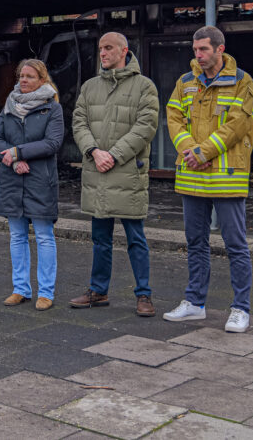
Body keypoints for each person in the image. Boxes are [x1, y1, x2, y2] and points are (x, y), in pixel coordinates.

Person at [163, 25, 253, 333]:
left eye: (203, 49)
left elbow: (237, 126)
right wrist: (191, 151)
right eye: (195, 50)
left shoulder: (243, 82)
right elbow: (174, 119)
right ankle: (195, 304)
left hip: (226, 175)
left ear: (220, 48)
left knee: (235, 244)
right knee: (195, 242)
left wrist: (203, 153)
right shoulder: (185, 83)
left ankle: (241, 308)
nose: (198, 55)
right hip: (192, 173)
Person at [70, 32, 159, 317]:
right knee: (100, 237)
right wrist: (95, 151)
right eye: (100, 49)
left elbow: (146, 127)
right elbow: (79, 122)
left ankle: (144, 295)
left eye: (108, 48)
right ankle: (98, 290)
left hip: (127, 172)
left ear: (124, 51)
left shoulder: (145, 87)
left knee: (136, 237)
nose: (102, 53)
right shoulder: (90, 87)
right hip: (98, 170)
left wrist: (114, 154)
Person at [0, 59, 64, 311]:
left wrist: (18, 153)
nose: (23, 80)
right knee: (17, 236)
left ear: (42, 80)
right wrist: (13, 160)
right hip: (12, 178)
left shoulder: (52, 108)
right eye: (21, 75)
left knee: (44, 237)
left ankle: (46, 292)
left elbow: (53, 143)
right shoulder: (9, 105)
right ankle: (20, 288)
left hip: (40, 179)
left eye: (30, 76)